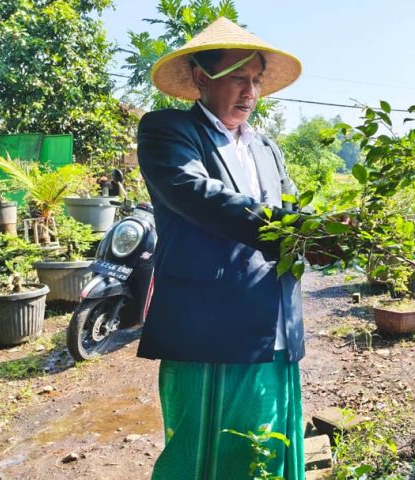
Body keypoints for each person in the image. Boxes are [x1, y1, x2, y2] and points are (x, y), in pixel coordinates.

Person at [136, 17, 309, 480]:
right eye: (238, 78)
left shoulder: (267, 148)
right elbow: (200, 196)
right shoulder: (169, 132)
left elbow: (293, 208)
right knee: (202, 452)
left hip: (275, 323)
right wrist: (293, 228)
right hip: (209, 327)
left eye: (256, 80)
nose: (250, 91)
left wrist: (324, 232)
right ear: (200, 78)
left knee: (268, 444)